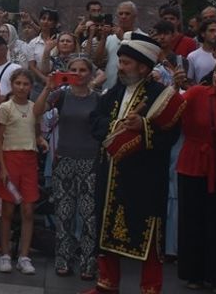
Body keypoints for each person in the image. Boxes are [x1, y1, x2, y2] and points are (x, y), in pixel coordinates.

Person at [87, 31, 184, 294]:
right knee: (106, 228)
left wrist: (143, 126)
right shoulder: (114, 92)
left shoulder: (160, 95)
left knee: (147, 233)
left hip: (144, 178)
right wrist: (116, 126)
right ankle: (107, 285)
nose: (120, 67)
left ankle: (151, 288)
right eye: (120, 62)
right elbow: (95, 120)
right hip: (111, 174)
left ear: (143, 67)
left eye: (126, 63)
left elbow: (170, 135)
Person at [172, 55, 216, 292]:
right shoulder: (197, 93)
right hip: (192, 161)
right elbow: (173, 110)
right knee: (192, 220)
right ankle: (194, 273)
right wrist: (174, 87)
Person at [35, 56, 100, 281]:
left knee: (89, 215)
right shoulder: (61, 95)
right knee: (64, 213)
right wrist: (48, 87)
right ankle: (63, 260)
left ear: (91, 74)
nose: (78, 74)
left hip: (90, 161)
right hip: (64, 160)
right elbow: (37, 111)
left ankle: (88, 263)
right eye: (73, 70)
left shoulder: (99, 98)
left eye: (83, 70)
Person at [0, 68, 44, 275]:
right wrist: (3, 167)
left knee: (28, 210)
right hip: (10, 159)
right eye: (18, 83)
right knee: (7, 210)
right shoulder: (5, 107)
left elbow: (36, 132)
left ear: (31, 87)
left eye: (26, 84)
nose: (22, 87)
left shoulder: (34, 108)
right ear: (12, 85)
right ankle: (5, 254)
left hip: (29, 160)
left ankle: (24, 256)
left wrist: (40, 140)